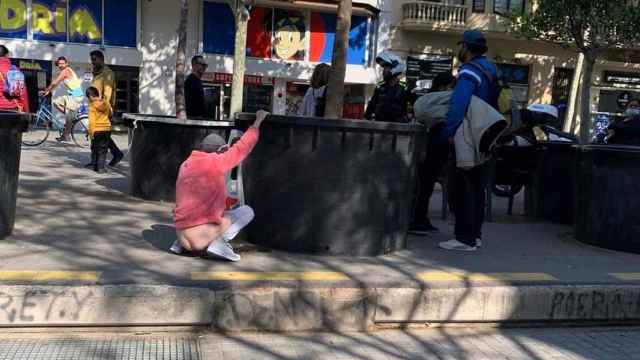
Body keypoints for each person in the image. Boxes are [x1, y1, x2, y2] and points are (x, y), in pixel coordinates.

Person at [170, 110, 269, 261]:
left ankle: (180, 245)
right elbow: (242, 147)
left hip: (182, 235)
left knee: (195, 210)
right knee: (246, 212)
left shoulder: (186, 164)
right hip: (200, 238)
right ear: (220, 150)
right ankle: (219, 243)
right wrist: (258, 122)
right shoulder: (216, 162)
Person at [438, 30, 498, 252]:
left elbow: (458, 104)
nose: (458, 50)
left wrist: (449, 132)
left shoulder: (470, 71)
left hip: (469, 132)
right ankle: (475, 235)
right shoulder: (491, 69)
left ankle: (464, 238)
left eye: (461, 46)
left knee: (463, 185)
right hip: (487, 132)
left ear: (467, 48)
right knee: (477, 186)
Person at [410, 72, 456, 234]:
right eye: (451, 86)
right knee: (424, 186)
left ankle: (421, 218)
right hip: (431, 149)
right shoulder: (435, 102)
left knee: (426, 187)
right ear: (442, 86)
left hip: (434, 149)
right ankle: (417, 219)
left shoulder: (433, 100)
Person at [89, 50, 123, 167]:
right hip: (95, 108)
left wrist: (105, 109)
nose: (92, 62)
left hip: (102, 108)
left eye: (94, 59)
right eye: (91, 59)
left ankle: (116, 154)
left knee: (102, 134)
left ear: (101, 59)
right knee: (97, 133)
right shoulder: (97, 72)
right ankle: (95, 160)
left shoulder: (108, 73)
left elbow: (107, 93)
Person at [41, 56, 84, 142]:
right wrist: (49, 91)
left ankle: (66, 135)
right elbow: (56, 83)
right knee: (56, 102)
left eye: (62, 63)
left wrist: (47, 90)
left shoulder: (66, 71)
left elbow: (55, 82)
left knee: (68, 117)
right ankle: (71, 116)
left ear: (66, 64)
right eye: (59, 63)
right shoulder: (64, 71)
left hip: (76, 96)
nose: (60, 65)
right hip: (72, 95)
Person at [364, 51, 414, 123]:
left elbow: (416, 105)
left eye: (387, 67)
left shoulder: (405, 87)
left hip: (398, 128)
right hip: (379, 126)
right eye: (383, 68)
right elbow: (372, 104)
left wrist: (409, 116)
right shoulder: (380, 86)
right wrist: (366, 118)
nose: (384, 71)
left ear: (396, 68)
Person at [86, 86, 112, 174]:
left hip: (96, 130)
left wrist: (90, 133)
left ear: (90, 96)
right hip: (106, 129)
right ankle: (101, 167)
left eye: (88, 97)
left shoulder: (92, 106)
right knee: (103, 149)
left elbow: (92, 122)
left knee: (95, 147)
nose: (88, 99)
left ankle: (96, 165)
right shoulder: (106, 103)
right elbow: (110, 113)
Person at [0, 45, 29, 112]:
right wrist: (26, 110)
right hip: (12, 108)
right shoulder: (14, 69)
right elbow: (22, 93)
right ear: (7, 55)